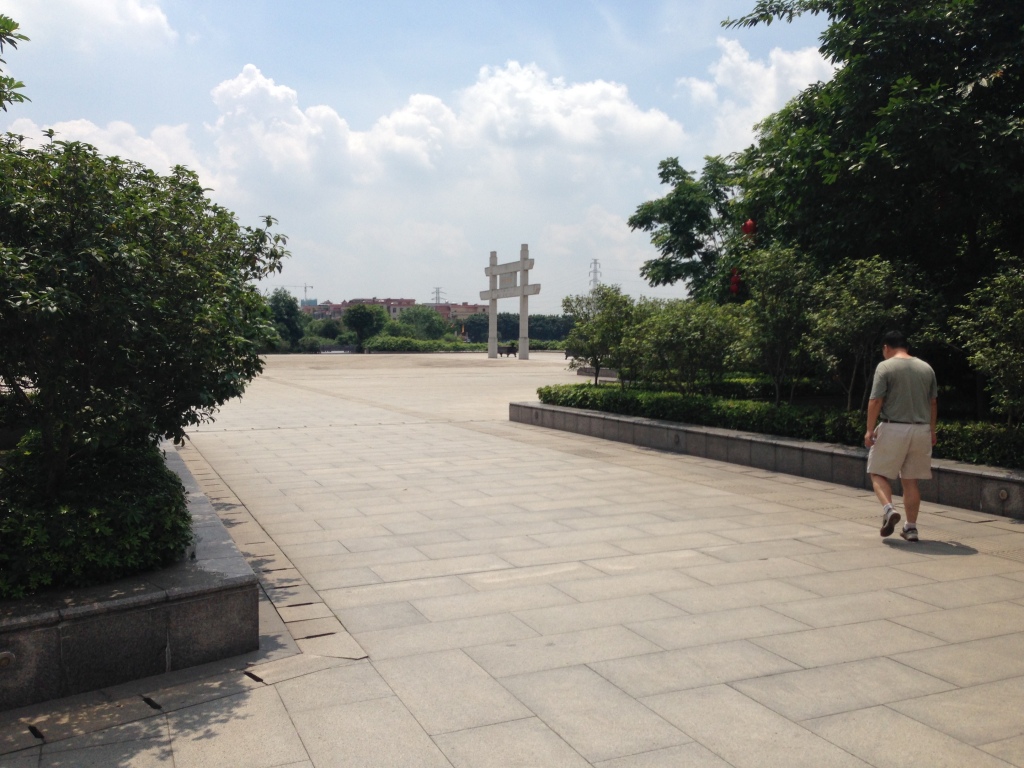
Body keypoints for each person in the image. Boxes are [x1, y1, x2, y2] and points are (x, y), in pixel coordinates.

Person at [864, 330, 938, 542]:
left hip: (894, 427)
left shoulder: (885, 367)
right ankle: (911, 528)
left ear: (886, 347)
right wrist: (932, 429)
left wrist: (869, 430)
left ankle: (889, 510)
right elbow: (933, 402)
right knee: (911, 481)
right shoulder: (926, 368)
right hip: (921, 429)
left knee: (877, 472)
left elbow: (876, 400)